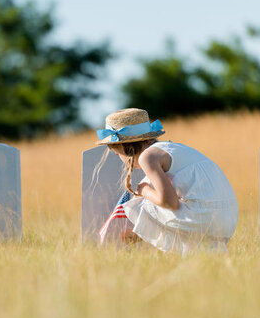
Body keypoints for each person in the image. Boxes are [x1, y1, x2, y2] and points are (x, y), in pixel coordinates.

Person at [96, 108, 238, 253]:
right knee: (145, 210)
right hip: (227, 218)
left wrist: (143, 189)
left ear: (123, 147)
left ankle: (114, 253)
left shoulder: (147, 157)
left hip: (202, 217)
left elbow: (169, 202)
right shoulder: (171, 148)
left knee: (132, 209)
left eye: (117, 153)